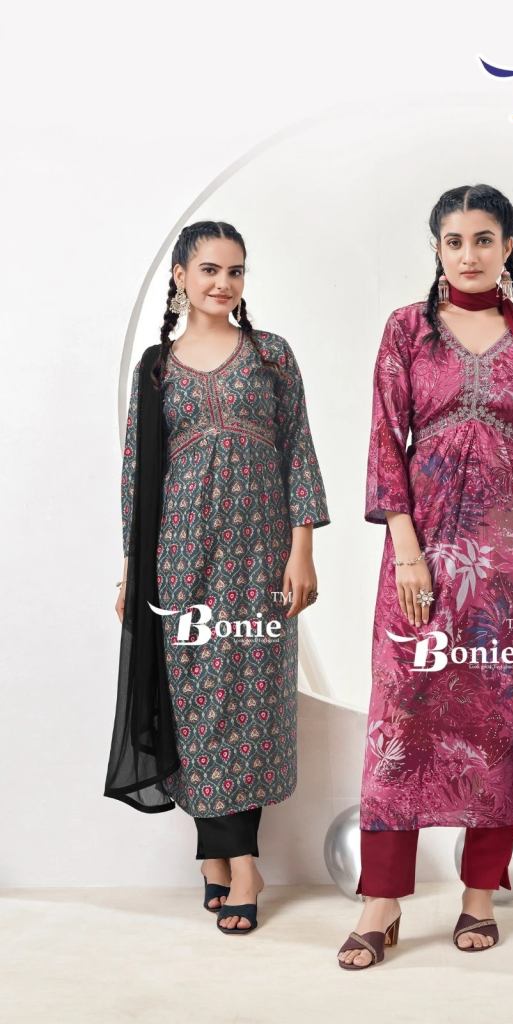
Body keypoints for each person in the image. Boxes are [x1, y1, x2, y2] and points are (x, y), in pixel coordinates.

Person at [337, 184, 513, 969]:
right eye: (455, 241)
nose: (469, 254)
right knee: (400, 718)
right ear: (437, 249)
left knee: (498, 723)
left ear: (509, 246)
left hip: (510, 563)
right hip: (420, 554)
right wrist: (406, 549)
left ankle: (480, 896)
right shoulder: (407, 329)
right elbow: (386, 439)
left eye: (484, 239)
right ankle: (382, 903)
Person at [105, 220, 330, 935]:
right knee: (196, 706)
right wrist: (130, 570)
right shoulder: (157, 368)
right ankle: (232, 860)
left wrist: (302, 549)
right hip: (180, 557)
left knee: (252, 705)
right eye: (209, 269)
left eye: (235, 271)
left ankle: (230, 860)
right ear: (179, 275)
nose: (223, 284)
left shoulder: (271, 355)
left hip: (261, 559)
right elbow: (137, 476)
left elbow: (298, 450)